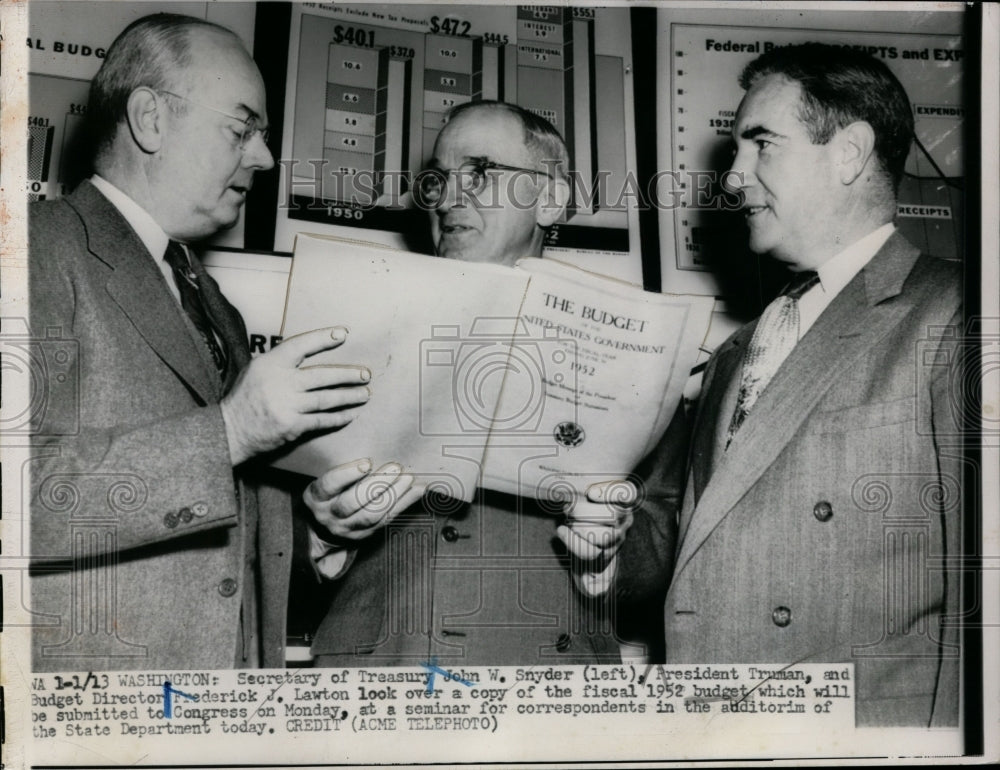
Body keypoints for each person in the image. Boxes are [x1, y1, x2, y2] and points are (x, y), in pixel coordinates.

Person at [28, 13, 395, 671]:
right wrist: (231, 431)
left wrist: (320, 535)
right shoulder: (32, 247)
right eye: (242, 129)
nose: (264, 157)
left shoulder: (207, 298)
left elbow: (227, 530)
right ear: (150, 118)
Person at [616, 43, 963, 726]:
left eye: (761, 145)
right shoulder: (735, 351)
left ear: (849, 152)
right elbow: (674, 554)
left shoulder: (957, 313)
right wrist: (599, 543)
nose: (734, 178)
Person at [300, 101, 678, 666]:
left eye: (480, 173)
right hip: (381, 681)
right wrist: (322, 535)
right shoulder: (353, 325)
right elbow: (260, 546)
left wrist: (609, 550)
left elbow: (663, 546)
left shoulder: (634, 350)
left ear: (550, 199)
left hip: (553, 690)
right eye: (439, 178)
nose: (450, 197)